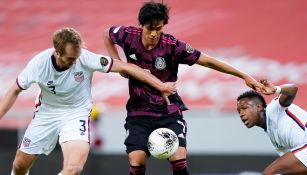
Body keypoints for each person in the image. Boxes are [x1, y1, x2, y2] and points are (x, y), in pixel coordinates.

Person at [103, 2, 264, 175]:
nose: (154, 34)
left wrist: (244, 76)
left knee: (178, 159)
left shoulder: (172, 46)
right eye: (150, 28)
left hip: (168, 111)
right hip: (138, 111)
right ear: (140, 25)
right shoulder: (127, 35)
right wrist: (118, 63)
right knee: (137, 161)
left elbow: (208, 61)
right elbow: (106, 34)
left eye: (158, 28)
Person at [0, 27, 176, 175]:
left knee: (74, 168)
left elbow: (126, 67)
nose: (75, 61)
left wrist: (160, 86)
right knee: (19, 165)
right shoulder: (38, 64)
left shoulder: (85, 58)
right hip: (46, 114)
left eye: (76, 56)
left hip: (76, 115)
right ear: (57, 52)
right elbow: (14, 91)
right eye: (70, 58)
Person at [237, 80, 307, 174]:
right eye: (239, 112)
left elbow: (293, 89)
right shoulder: (274, 139)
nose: (241, 114)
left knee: (270, 172)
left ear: (259, 107)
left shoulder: (273, 109)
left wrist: (276, 89)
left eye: (245, 108)